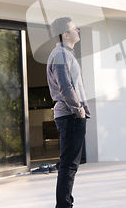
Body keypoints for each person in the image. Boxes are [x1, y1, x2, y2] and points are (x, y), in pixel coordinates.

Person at [47, 17, 91, 208]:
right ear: (65, 34)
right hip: (70, 115)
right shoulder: (61, 55)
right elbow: (66, 87)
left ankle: (64, 204)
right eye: (75, 29)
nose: (78, 31)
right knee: (69, 165)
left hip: (70, 115)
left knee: (69, 165)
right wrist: (78, 110)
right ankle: (64, 205)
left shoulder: (65, 54)